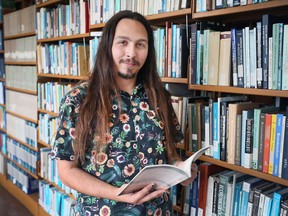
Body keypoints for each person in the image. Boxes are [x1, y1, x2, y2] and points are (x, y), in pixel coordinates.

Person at [51, 10, 198, 216]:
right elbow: (66, 171)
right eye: (123, 42)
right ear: (108, 45)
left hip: (157, 211)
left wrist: (182, 169)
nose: (131, 53)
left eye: (140, 44)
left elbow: (168, 155)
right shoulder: (78, 100)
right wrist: (117, 194)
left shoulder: (159, 96)